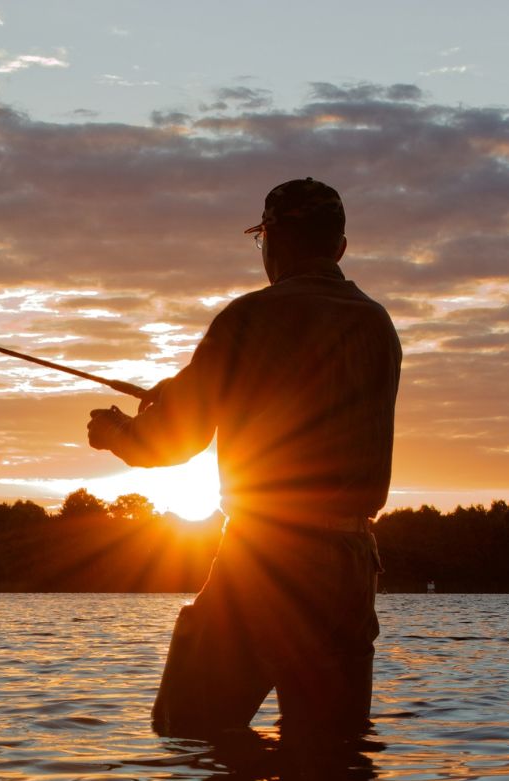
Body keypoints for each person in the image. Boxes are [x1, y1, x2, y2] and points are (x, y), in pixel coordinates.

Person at [86, 178, 403, 744]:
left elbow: (168, 443)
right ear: (340, 247)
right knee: (331, 751)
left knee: (187, 729)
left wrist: (113, 432)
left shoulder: (249, 317)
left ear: (270, 242)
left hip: (268, 558)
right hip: (354, 564)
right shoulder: (376, 323)